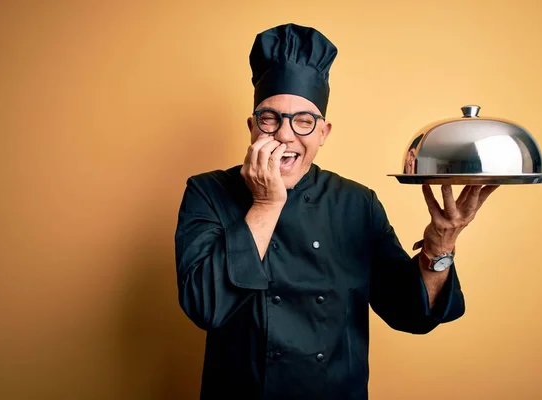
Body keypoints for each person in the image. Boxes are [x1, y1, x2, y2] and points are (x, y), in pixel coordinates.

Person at [174, 23, 498, 400]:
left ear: (324, 132)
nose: (285, 134)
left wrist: (440, 245)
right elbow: (205, 307)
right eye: (269, 118)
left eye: (304, 121)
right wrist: (266, 203)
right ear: (252, 127)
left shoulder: (357, 203)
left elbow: (410, 313)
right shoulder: (208, 192)